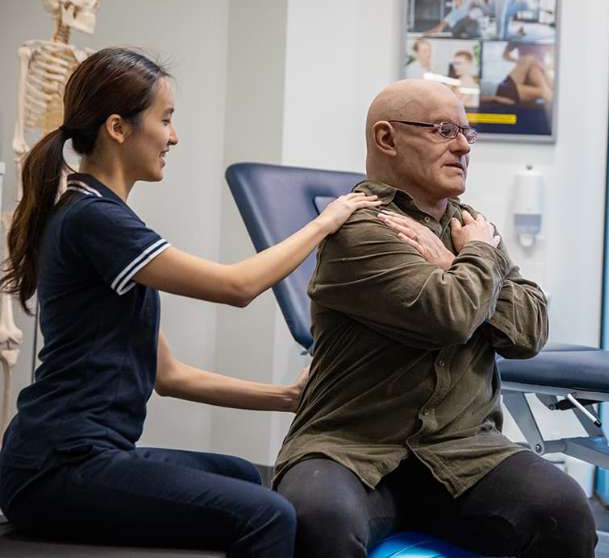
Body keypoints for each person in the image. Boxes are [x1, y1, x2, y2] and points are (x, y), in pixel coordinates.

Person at [0, 47, 379, 557]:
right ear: (118, 127)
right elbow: (236, 287)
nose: (174, 136)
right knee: (267, 516)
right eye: (166, 119)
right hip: (59, 466)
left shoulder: (95, 211)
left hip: (75, 455)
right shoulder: (96, 219)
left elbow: (170, 375)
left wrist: (289, 397)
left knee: (248, 475)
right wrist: (326, 221)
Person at [274, 78, 596, 558]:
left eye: (468, 133)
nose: (464, 146)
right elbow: (447, 316)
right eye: (445, 130)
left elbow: (530, 332)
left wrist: (456, 264)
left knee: (563, 509)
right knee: (318, 521)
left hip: (465, 451)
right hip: (350, 449)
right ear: (387, 139)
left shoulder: (471, 228)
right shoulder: (359, 230)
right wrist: (480, 260)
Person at [426, 0, 531, 40]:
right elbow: (461, 10)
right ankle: (517, 33)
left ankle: (520, 31)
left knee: (504, 33)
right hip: (498, 12)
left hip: (519, 5)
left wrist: (499, 38)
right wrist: (441, 26)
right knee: (474, 13)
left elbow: (500, 16)